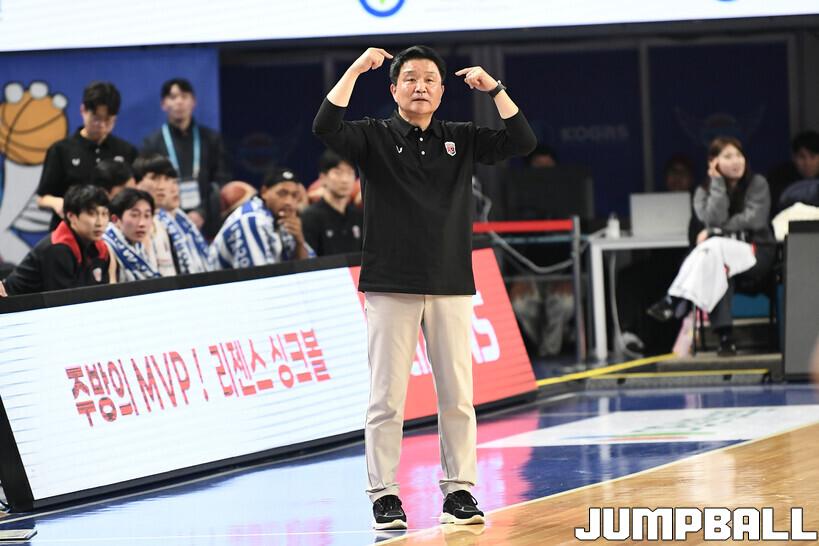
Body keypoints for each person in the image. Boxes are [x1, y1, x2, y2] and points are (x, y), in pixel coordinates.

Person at [313, 45, 536, 529]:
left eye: (430, 79)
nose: (420, 87)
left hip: (450, 283)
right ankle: (384, 495)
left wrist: (495, 89)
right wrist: (356, 69)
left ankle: (459, 491)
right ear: (394, 89)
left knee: (457, 396)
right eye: (410, 78)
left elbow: (522, 141)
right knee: (386, 398)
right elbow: (325, 125)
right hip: (390, 284)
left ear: (442, 91)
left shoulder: (461, 137)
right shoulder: (372, 136)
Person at [647, 137, 775, 356]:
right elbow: (713, 219)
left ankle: (673, 298)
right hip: (723, 259)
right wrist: (717, 184)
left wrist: (716, 231)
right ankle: (725, 338)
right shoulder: (702, 192)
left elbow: (754, 220)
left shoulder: (757, 184)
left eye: (739, 155)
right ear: (713, 162)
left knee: (713, 244)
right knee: (717, 264)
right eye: (728, 156)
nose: (736, 161)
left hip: (756, 253)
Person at [36, 81, 138, 230]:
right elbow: (42, 198)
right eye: (96, 118)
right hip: (70, 229)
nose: (101, 125)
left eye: (108, 120)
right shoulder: (61, 150)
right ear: (83, 110)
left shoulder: (126, 151)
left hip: (114, 230)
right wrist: (57, 202)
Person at [142, 78, 231, 238]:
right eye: (173, 97)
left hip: (207, 222)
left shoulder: (211, 139)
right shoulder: (152, 143)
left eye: (184, 96)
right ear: (163, 104)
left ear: (193, 102)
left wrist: (201, 212)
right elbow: (148, 186)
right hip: (166, 221)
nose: (179, 102)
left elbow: (221, 181)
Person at [1, 185, 111, 296]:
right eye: (91, 214)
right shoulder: (58, 249)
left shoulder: (101, 249)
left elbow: (102, 293)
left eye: (104, 214)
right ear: (71, 216)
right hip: (13, 303)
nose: (100, 222)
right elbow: (63, 301)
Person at [211, 168, 315, 269]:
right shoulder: (251, 220)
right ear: (264, 192)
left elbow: (310, 269)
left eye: (294, 195)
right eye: (282, 193)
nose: (289, 201)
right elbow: (258, 276)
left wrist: (299, 242)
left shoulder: (283, 220)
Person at [132, 154, 214, 275]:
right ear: (137, 184)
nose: (164, 186)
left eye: (172, 180)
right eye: (156, 178)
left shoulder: (182, 220)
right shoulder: (144, 225)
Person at [301, 150, 363, 256]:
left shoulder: (359, 216)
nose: (345, 180)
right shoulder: (310, 217)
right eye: (338, 173)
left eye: (350, 173)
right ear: (323, 178)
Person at [103, 188, 168, 283]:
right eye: (134, 215)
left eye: (147, 216)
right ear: (115, 219)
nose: (142, 223)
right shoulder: (106, 247)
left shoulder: (139, 246)